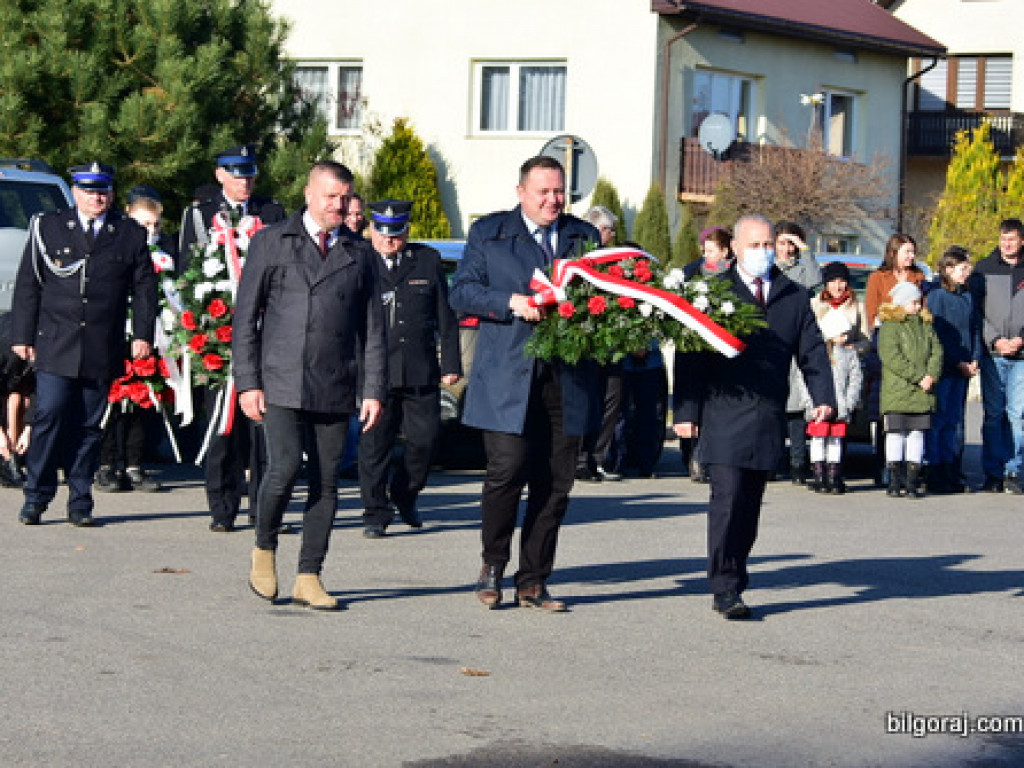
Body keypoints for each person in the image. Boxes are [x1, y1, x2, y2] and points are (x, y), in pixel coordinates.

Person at [449, 155, 600, 612]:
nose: (553, 200)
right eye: (543, 192)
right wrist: (511, 302)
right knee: (507, 471)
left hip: (566, 376)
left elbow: (603, 294)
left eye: (560, 191)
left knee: (555, 482)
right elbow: (462, 291)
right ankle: (492, 566)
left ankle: (533, 579)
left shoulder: (583, 236)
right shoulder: (489, 232)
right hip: (507, 376)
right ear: (521, 193)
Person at [234, 160, 386, 610]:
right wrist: (248, 382)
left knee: (326, 481)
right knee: (282, 467)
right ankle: (264, 548)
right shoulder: (272, 241)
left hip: (335, 381)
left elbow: (373, 329)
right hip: (279, 378)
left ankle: (309, 575)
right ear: (308, 194)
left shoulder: (361, 254)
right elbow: (246, 318)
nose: (339, 205)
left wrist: (373, 388)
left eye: (345, 198)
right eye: (330, 196)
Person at [672, 214, 835, 620]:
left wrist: (823, 397)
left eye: (768, 245)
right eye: (754, 245)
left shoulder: (792, 295)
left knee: (749, 505)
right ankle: (724, 586)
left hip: (767, 414)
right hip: (723, 413)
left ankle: (736, 573)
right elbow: (690, 356)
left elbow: (812, 350)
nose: (763, 252)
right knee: (726, 499)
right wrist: (686, 410)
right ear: (735, 248)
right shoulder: (712, 292)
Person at [10, 162, 158, 526]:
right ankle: (36, 495)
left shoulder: (129, 233)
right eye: (89, 191)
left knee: (90, 426)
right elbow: (29, 284)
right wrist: (22, 335)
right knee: (49, 415)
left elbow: (144, 288)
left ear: (112, 193)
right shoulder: (48, 227)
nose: (96, 197)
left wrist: (142, 334)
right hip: (56, 340)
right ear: (75, 192)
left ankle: (80, 501)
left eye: (102, 191)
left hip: (100, 344)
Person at [179, 145, 287, 532]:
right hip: (218, 334)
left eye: (250, 174)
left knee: (264, 429)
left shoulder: (271, 213)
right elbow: (188, 270)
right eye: (237, 173)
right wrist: (203, 325)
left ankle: (263, 510)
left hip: (264, 335)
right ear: (220, 175)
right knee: (222, 427)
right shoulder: (200, 214)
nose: (245, 181)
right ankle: (222, 509)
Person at [359, 199, 462, 538]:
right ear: (371, 230)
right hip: (376, 372)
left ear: (407, 231)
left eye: (397, 233)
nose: (390, 240)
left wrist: (450, 362)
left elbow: (445, 316)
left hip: (420, 368)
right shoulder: (359, 260)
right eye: (383, 233)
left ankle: (405, 494)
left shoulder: (426, 260)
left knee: (425, 441)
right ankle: (375, 512)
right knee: (375, 446)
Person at [95, 189, 175, 493]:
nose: (150, 231)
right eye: (143, 225)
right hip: (118, 333)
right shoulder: (117, 245)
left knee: (143, 401)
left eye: (155, 225)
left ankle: (134, 464)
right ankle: (106, 464)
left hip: (151, 336)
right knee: (113, 401)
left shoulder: (165, 254)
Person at [863, 234, 928, 485]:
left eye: (913, 251)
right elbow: (872, 313)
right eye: (906, 251)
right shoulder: (878, 278)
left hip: (913, 344)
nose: (911, 256)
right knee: (887, 410)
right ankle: (885, 466)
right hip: (886, 343)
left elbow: (924, 312)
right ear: (893, 253)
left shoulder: (919, 277)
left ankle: (912, 470)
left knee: (913, 412)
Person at [970, 218, 1024, 494]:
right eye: (1003, 239)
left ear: (1021, 240)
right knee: (993, 414)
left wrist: (1020, 339)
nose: (1007, 244)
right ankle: (992, 472)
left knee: (1018, 415)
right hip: (993, 354)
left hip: (1021, 356)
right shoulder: (984, 269)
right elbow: (976, 312)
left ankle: (1014, 470)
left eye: (1012, 239)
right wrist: (995, 340)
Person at [877, 282, 942, 499]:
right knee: (895, 434)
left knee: (916, 434)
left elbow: (937, 352)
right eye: (913, 302)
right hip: (898, 392)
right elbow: (892, 358)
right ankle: (895, 480)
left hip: (922, 392)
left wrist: (931, 375)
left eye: (918, 301)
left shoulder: (926, 325)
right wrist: (918, 377)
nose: (918, 306)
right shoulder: (889, 327)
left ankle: (912, 481)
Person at [925, 246, 980, 494]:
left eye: (968, 268)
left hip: (964, 369)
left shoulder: (967, 296)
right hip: (946, 368)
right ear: (948, 269)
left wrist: (974, 358)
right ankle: (935, 469)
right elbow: (938, 335)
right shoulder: (938, 296)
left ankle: (951, 467)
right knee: (939, 419)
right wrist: (956, 361)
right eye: (962, 268)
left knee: (954, 421)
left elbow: (974, 329)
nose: (967, 273)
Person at [680, 226, 734, 481]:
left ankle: (711, 459)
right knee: (694, 406)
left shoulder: (735, 277)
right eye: (705, 250)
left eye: (711, 251)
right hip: (694, 349)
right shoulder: (692, 273)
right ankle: (694, 458)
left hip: (721, 351)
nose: (706, 256)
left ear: (725, 251)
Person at [576, 204, 623, 482]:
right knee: (585, 402)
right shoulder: (578, 259)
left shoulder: (615, 263)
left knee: (611, 400)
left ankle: (597, 458)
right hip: (584, 346)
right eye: (609, 230)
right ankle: (580, 459)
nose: (612, 236)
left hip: (612, 346)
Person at [804, 309, 862, 494]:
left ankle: (833, 476)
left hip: (840, 406)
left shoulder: (850, 354)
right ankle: (819, 476)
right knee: (818, 439)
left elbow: (855, 379)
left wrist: (850, 402)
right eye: (841, 333)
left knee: (835, 440)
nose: (846, 337)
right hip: (818, 406)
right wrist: (810, 403)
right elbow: (805, 379)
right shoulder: (816, 355)